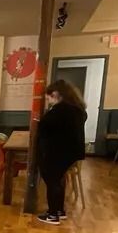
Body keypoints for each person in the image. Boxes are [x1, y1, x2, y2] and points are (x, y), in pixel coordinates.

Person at [36, 79, 87, 225]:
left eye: (49, 97)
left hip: (58, 151)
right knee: (59, 180)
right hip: (70, 152)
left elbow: (45, 125)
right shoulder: (77, 108)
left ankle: (53, 215)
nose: (48, 101)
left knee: (52, 180)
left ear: (56, 94)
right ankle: (59, 210)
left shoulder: (61, 109)